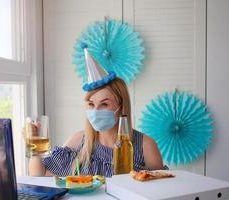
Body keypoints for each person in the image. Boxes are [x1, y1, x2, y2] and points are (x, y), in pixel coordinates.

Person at [28, 45, 167, 177]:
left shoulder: (145, 146)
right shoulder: (79, 141)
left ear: (121, 107)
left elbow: (159, 189)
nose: (95, 111)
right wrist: (34, 144)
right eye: (91, 104)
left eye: (104, 104)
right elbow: (41, 174)